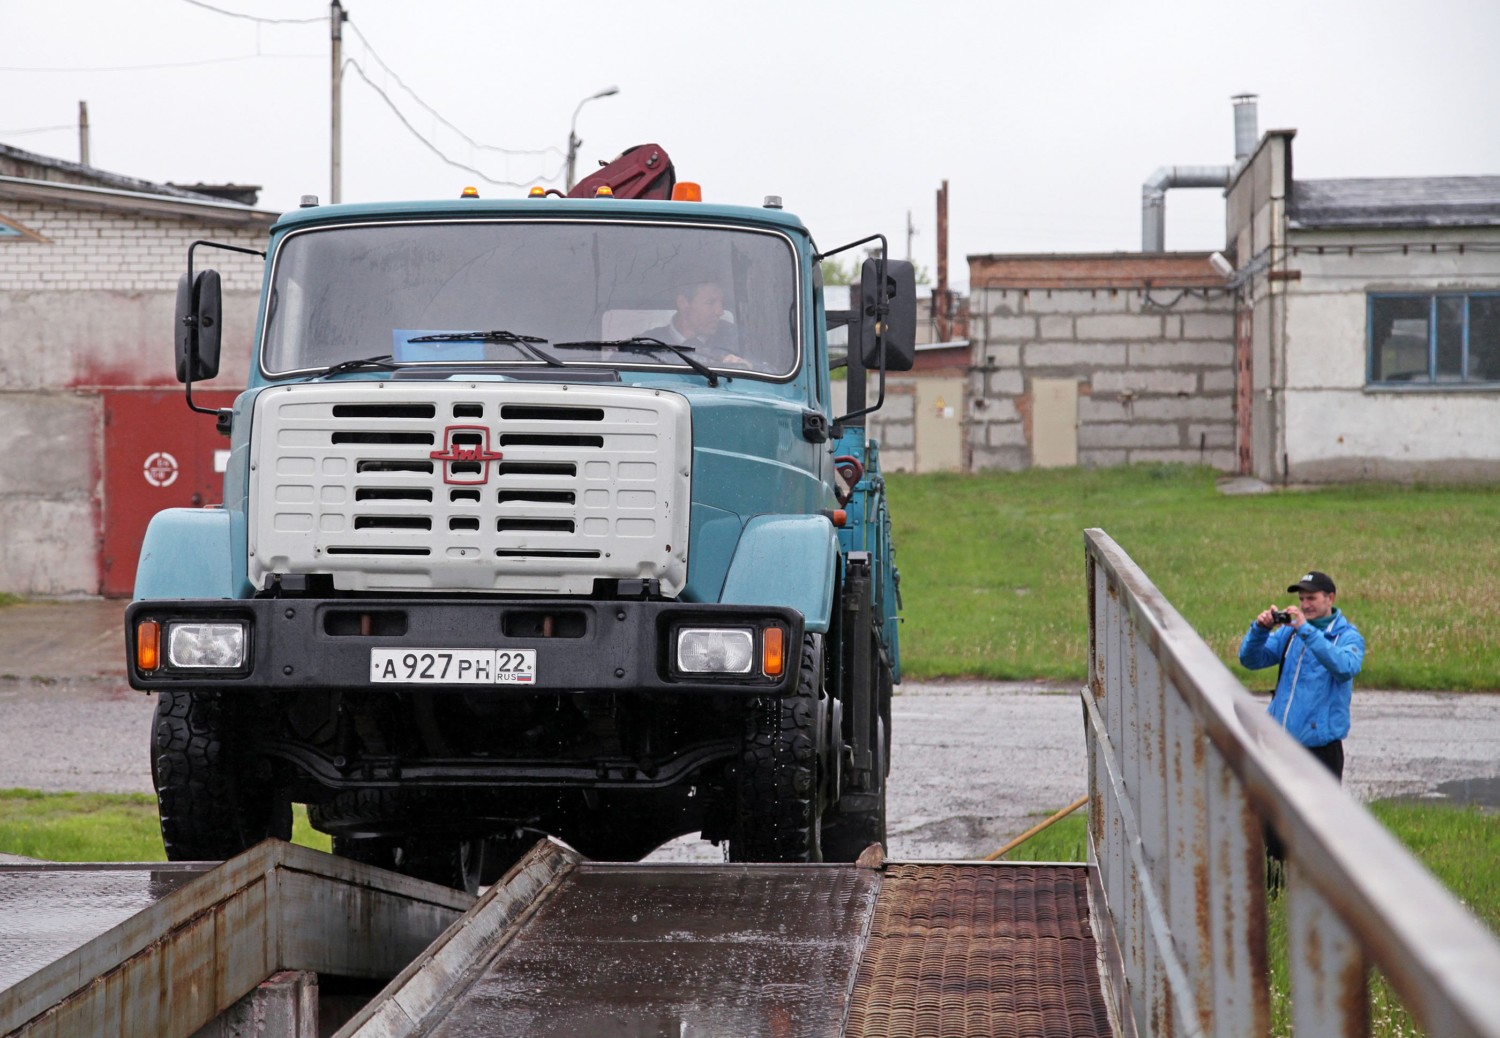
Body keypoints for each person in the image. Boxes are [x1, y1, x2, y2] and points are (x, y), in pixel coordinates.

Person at [1239, 570, 1366, 781]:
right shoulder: (1290, 632)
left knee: (1321, 814)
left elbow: (1346, 668)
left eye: (1311, 598)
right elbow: (1250, 660)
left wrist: (1306, 631)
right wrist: (1260, 630)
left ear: (1330, 598)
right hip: (1279, 746)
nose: (1305, 605)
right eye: (1301, 599)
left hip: (1320, 752)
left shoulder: (1347, 636)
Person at [641, 280, 748, 366]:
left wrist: (746, 365)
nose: (720, 312)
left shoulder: (737, 338)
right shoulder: (647, 343)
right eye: (710, 303)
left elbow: (762, 366)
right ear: (683, 303)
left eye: (722, 303)